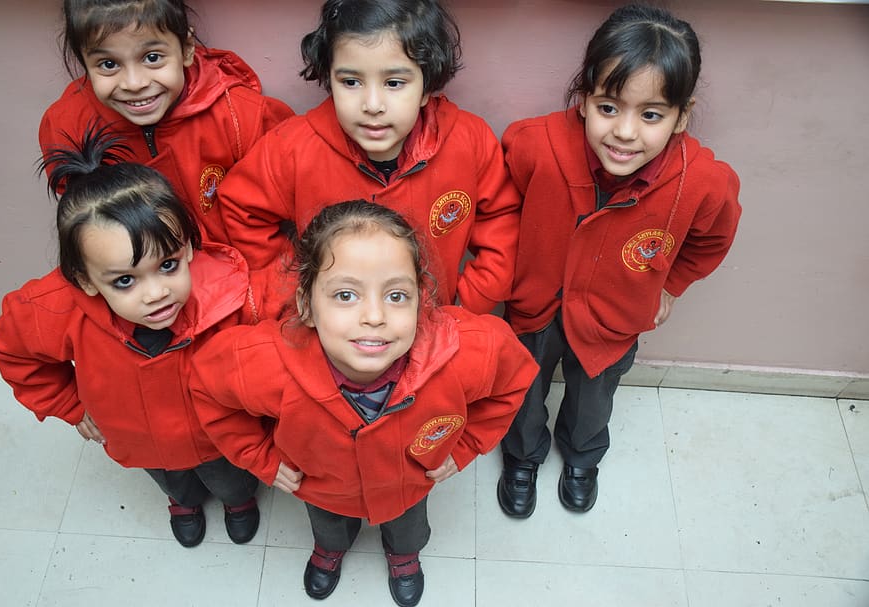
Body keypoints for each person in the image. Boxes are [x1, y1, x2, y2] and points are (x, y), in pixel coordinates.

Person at [189, 200, 538, 606]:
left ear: (421, 300)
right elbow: (208, 391)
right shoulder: (262, 362)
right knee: (329, 527)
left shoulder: (467, 353)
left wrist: (464, 448)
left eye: (396, 295)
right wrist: (262, 459)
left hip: (409, 486)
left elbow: (514, 380)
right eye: (345, 294)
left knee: (408, 528)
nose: (374, 315)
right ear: (306, 303)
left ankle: (403, 556)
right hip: (323, 491)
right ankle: (331, 549)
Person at [496, 4, 742, 518]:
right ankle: (522, 456)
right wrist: (502, 270)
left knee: (593, 401)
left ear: (682, 116)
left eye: (650, 114)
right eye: (609, 107)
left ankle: (583, 458)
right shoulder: (533, 144)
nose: (625, 133)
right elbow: (497, 205)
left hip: (614, 318)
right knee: (521, 387)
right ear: (583, 100)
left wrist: (672, 284)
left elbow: (712, 238)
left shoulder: (703, 183)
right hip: (533, 307)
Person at [0, 125, 268, 548]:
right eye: (124, 280)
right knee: (174, 482)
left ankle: (238, 503)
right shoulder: (52, 308)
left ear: (189, 248)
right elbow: (15, 351)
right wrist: (67, 403)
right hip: (139, 438)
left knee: (231, 480)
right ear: (84, 279)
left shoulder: (233, 291)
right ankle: (184, 504)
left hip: (218, 438)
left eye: (169, 266)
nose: (156, 293)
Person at [217, 0, 521, 318]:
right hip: (331, 334)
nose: (372, 104)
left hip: (432, 326)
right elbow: (241, 208)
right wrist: (295, 292)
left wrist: (470, 303)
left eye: (393, 83)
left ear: (426, 87)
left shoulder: (469, 142)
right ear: (329, 79)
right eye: (351, 82)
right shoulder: (293, 147)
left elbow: (501, 220)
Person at [39, 0, 294, 245]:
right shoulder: (68, 125)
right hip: (137, 276)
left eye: (152, 57)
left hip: (236, 271)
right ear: (83, 61)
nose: (134, 83)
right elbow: (85, 222)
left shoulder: (241, 116)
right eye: (108, 64)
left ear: (187, 48)